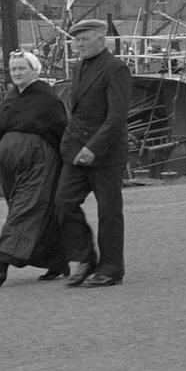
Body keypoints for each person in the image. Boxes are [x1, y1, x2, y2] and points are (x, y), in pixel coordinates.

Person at [0, 50, 69, 285]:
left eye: (21, 68)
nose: (16, 73)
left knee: (25, 209)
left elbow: (62, 130)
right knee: (30, 209)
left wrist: (71, 161)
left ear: (34, 70)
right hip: (11, 162)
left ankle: (1, 265)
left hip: (39, 159)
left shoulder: (47, 98)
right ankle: (57, 260)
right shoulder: (12, 96)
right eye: (13, 69)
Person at [55, 18, 133, 288]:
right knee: (63, 203)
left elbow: (117, 116)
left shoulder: (116, 69)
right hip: (76, 150)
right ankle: (85, 258)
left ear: (102, 39)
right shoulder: (79, 67)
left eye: (84, 39)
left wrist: (93, 148)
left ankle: (111, 269)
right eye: (77, 39)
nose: (78, 44)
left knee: (109, 212)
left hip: (105, 153)